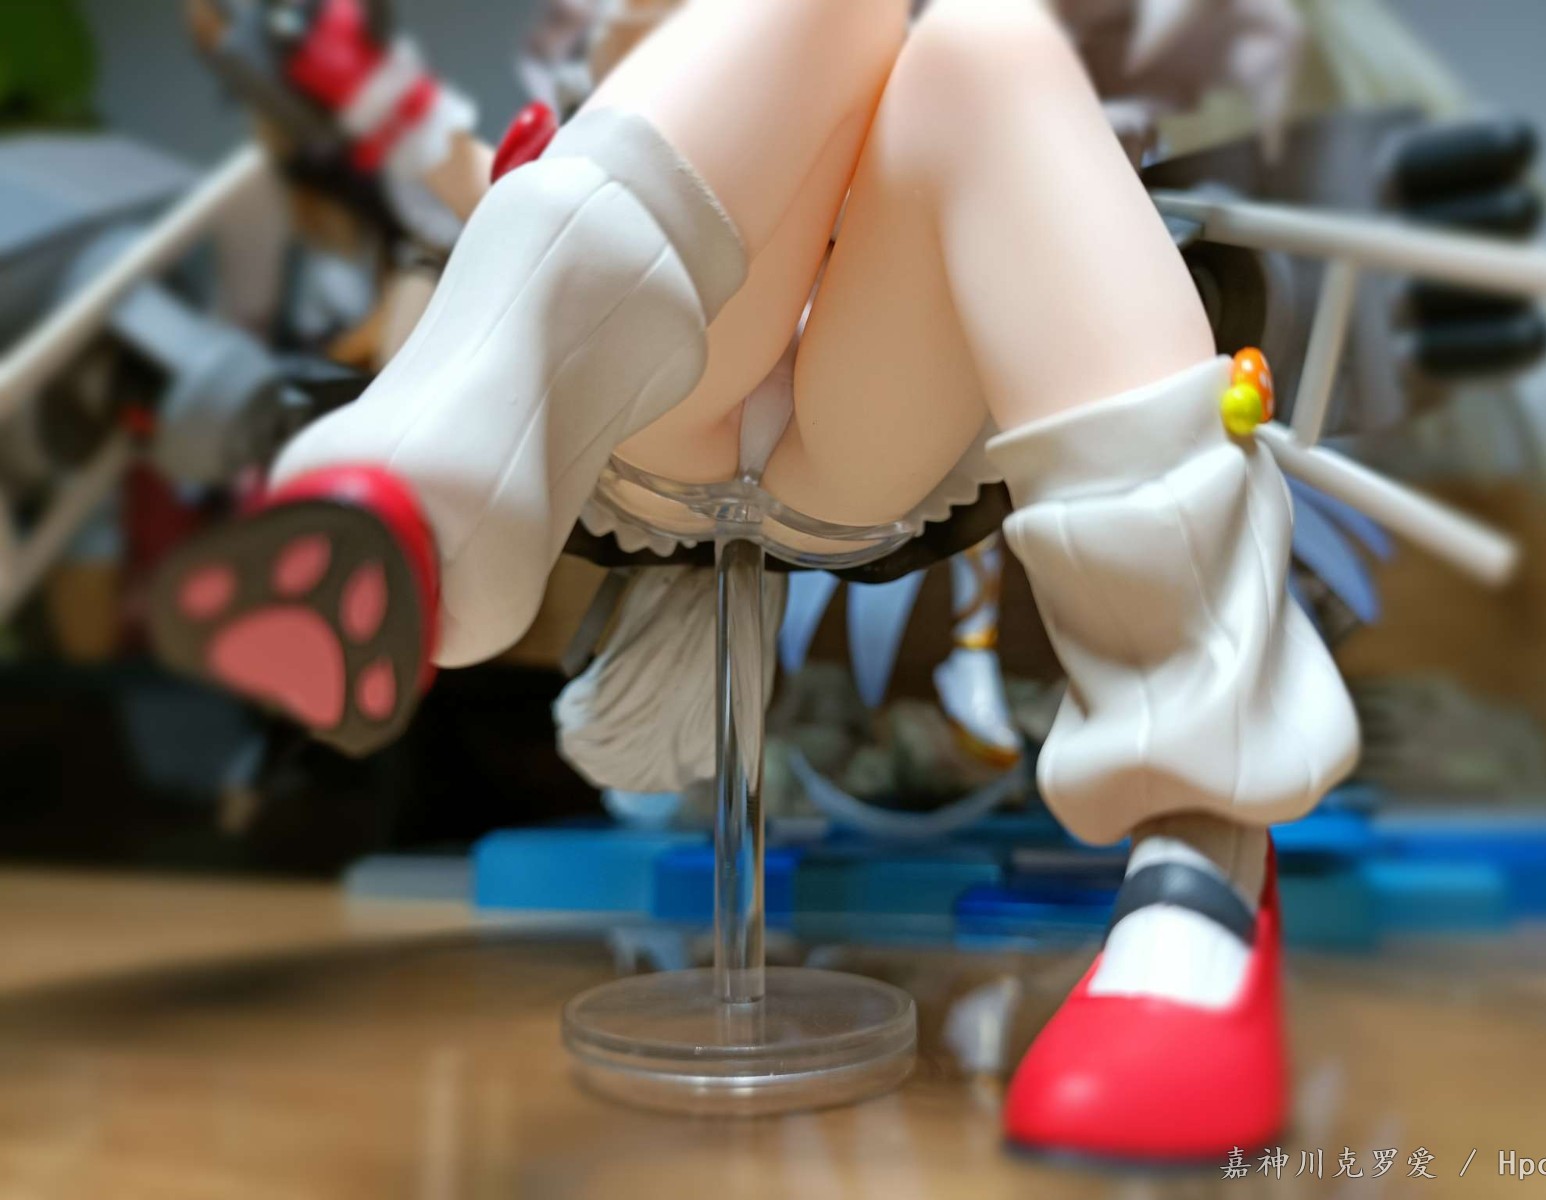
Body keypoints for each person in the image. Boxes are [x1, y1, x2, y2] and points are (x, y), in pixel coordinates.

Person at [151, 0, 1358, 1162]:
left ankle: (1199, 851)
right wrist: (401, 123)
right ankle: (449, 472)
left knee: (990, 41)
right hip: (662, 379)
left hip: (876, 400)